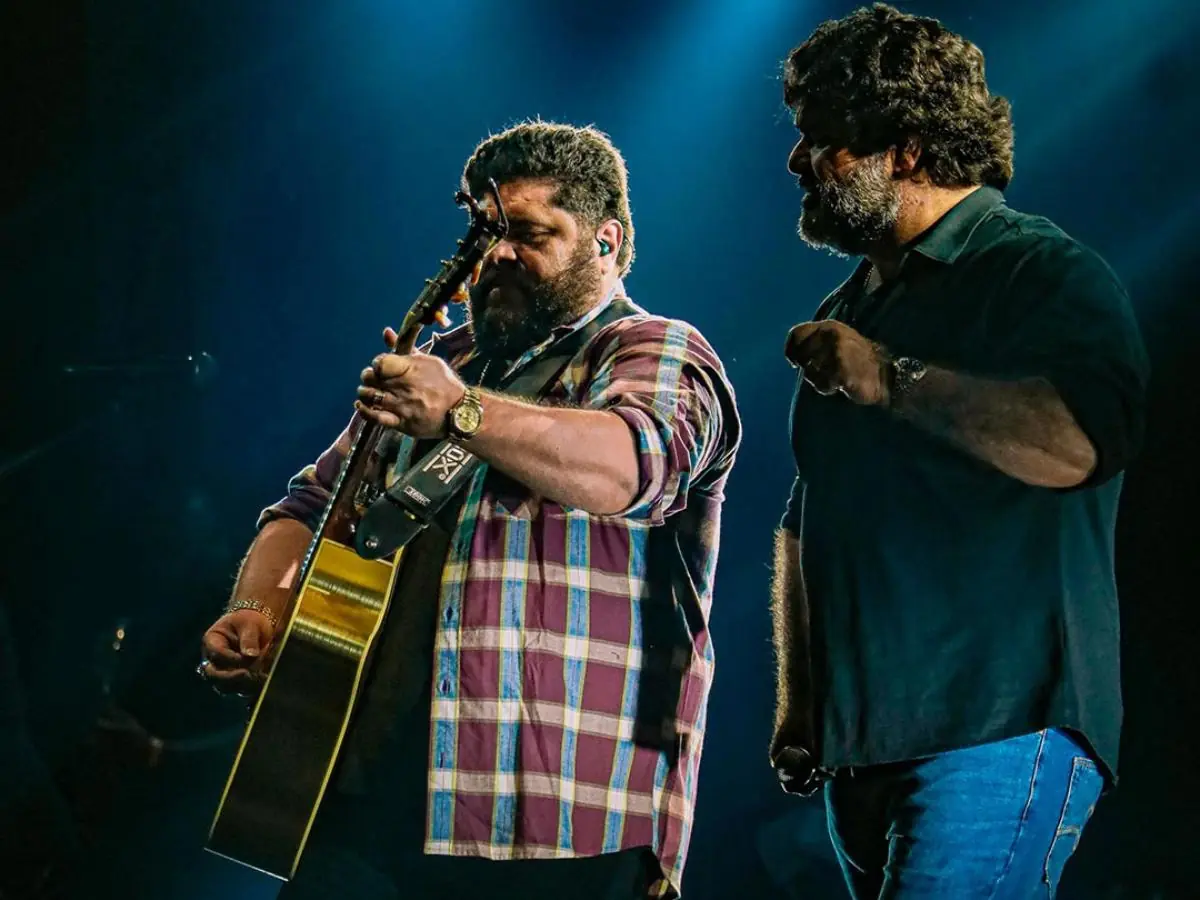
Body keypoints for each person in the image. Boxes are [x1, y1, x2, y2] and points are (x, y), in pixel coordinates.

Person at [199, 121, 740, 900]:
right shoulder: (442, 366)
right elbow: (309, 505)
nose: (500, 256)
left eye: (530, 233)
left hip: (555, 815)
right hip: (366, 791)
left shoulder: (651, 348)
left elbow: (632, 465)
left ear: (606, 241)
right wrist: (258, 607)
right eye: (487, 234)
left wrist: (461, 413)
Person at [767, 6, 1149, 899]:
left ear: (905, 149)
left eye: (822, 139)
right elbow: (805, 518)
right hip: (863, 751)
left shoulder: (1038, 270)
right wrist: (800, 704)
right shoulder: (851, 304)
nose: (797, 161)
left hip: (998, 726)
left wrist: (891, 377)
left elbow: (1081, 443)